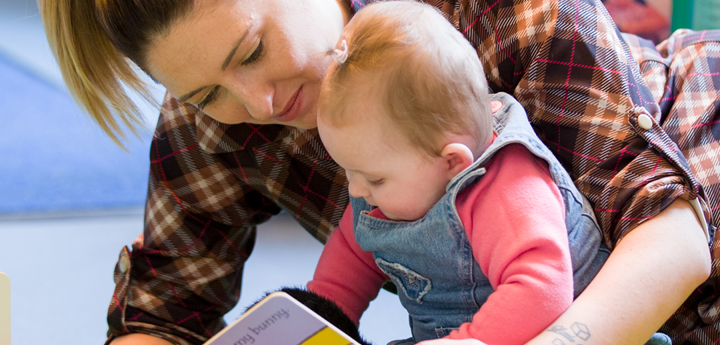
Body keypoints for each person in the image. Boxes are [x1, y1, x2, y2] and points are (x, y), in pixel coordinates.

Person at [38, 0, 715, 344]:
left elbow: (674, 235)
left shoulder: (497, 15)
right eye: (207, 93)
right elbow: (164, 309)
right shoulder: (216, 122)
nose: (257, 104)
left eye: (252, 51)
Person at [306, 2, 609, 344]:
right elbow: (349, 255)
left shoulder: (507, 188)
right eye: (349, 171)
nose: (357, 189)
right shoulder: (384, 188)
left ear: (452, 162)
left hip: (560, 331)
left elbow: (542, 288)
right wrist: (318, 319)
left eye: (374, 178)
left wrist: (465, 341)